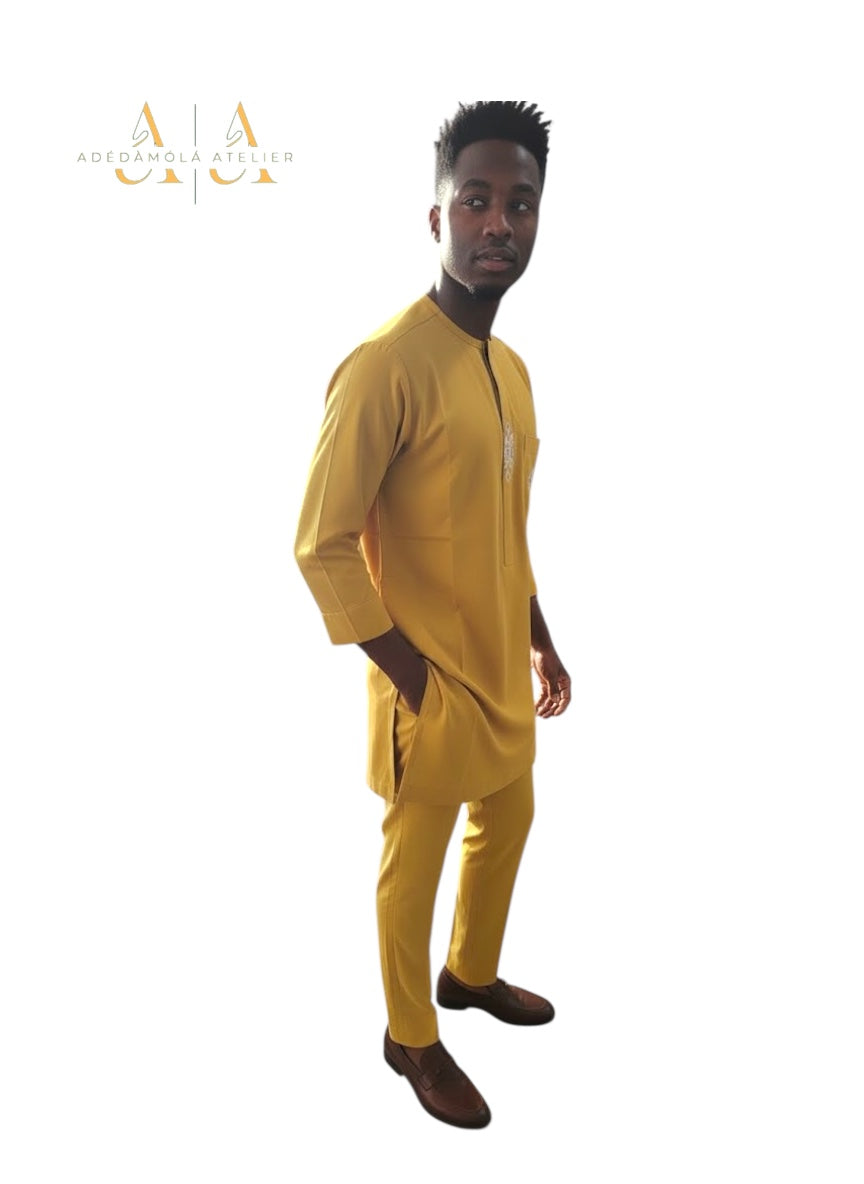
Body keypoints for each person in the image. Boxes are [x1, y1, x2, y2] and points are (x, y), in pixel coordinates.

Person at [294, 100, 570, 1130]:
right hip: (433, 683)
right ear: (436, 216)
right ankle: (411, 1034)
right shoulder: (385, 366)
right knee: (415, 858)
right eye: (476, 200)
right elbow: (319, 541)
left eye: (521, 204)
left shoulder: (513, 370)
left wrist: (541, 635)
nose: (499, 223)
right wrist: (408, 675)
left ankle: (470, 973)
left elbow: (505, 522)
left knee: (513, 816)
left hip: (502, 667)